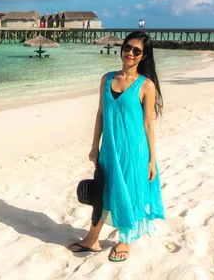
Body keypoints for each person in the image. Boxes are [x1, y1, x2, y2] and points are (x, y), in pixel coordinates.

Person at [68, 30, 165, 262]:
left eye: (136, 51)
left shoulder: (146, 86)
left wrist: (151, 159)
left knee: (130, 193)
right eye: (127, 47)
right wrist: (94, 146)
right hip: (110, 149)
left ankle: (125, 240)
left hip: (134, 151)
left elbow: (148, 125)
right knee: (101, 192)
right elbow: (101, 113)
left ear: (144, 56)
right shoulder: (107, 78)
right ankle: (92, 239)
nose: (130, 53)